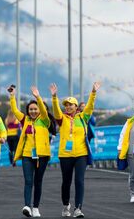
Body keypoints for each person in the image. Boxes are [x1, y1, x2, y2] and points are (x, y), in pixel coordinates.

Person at [51, 82, 100, 218]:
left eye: (70, 104)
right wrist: (54, 97)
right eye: (66, 105)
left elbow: (90, 107)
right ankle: (66, 205)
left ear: (76, 107)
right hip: (65, 155)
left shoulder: (83, 117)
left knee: (79, 181)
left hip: (81, 154)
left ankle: (78, 208)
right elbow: (55, 110)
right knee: (66, 182)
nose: (67, 107)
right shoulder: (61, 119)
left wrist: (93, 93)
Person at [10, 86, 51, 218]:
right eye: (31, 109)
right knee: (28, 181)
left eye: (35, 109)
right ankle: (27, 206)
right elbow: (15, 110)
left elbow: (44, 111)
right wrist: (12, 96)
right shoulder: (25, 120)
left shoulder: (45, 120)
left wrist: (38, 97)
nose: (33, 111)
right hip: (28, 155)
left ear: (39, 110)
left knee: (38, 181)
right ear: (28, 111)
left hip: (42, 155)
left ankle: (36, 207)